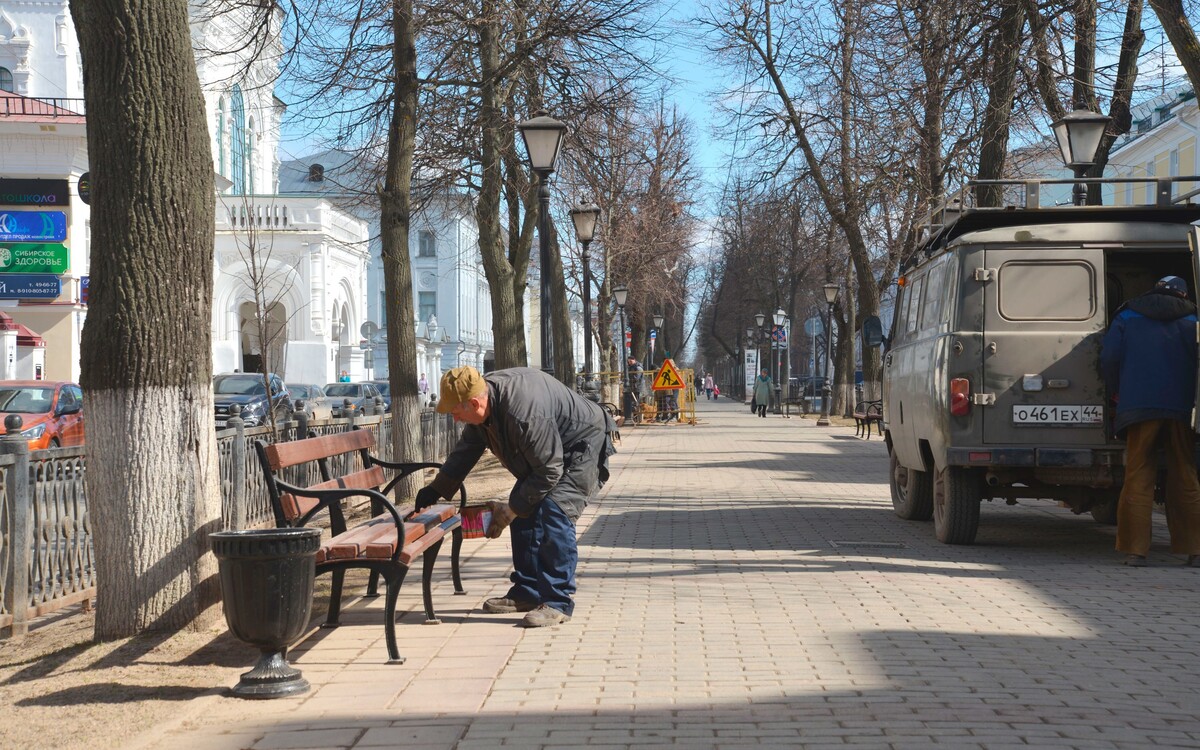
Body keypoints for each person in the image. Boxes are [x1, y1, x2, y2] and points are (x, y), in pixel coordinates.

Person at [415, 366, 617, 627]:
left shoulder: (524, 413)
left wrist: (509, 510)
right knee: (525, 506)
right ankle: (528, 592)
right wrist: (438, 488)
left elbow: (549, 470)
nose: (455, 419)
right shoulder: (483, 401)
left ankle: (557, 602)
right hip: (549, 452)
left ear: (474, 403)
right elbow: (467, 449)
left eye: (456, 413)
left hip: (582, 445)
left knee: (554, 511)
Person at [1100, 275, 1200, 567]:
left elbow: (1109, 357)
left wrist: (1118, 389)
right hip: (1182, 407)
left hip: (1138, 406)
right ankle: (1195, 549)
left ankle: (1136, 551)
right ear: (1182, 294)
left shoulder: (1129, 315)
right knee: (1185, 474)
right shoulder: (1194, 318)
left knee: (1138, 474)